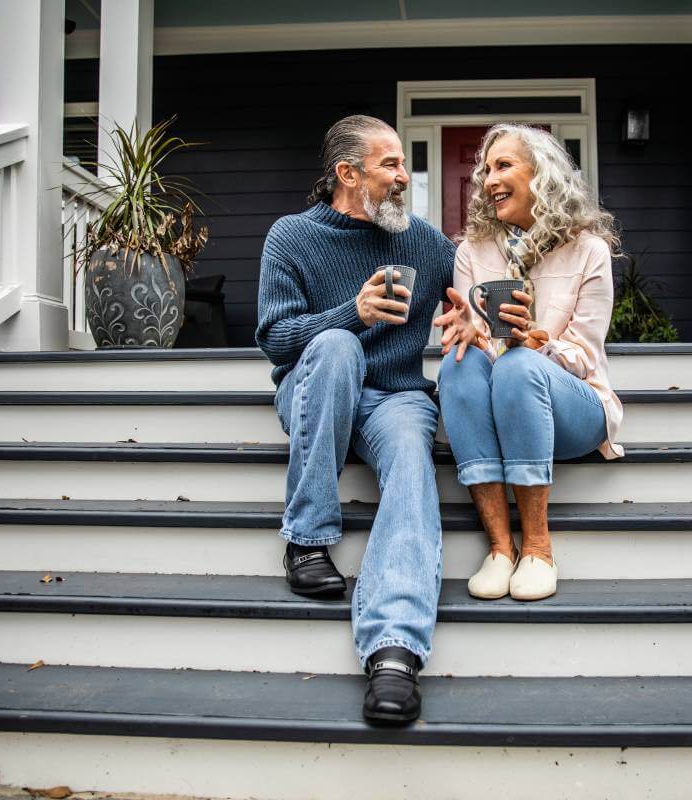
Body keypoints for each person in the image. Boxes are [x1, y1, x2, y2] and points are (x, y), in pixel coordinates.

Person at [255, 115, 455, 723]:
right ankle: (307, 538)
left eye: (403, 165)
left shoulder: (424, 243)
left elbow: (473, 291)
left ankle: (394, 650)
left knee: (411, 460)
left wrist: (475, 319)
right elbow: (276, 340)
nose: (404, 177)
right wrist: (354, 313)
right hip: (315, 386)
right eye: (391, 164)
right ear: (348, 173)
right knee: (339, 347)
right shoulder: (291, 237)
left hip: (394, 396)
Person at [432, 123, 624, 602]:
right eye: (484, 170)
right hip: (503, 402)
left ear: (542, 175)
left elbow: (584, 356)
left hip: (574, 408)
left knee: (519, 365)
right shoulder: (472, 252)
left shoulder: (588, 251)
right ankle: (500, 548)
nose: (488, 180)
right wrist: (473, 335)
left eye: (503, 166)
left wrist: (537, 342)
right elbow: (474, 352)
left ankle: (538, 547)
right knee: (457, 365)